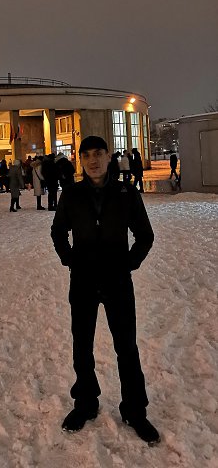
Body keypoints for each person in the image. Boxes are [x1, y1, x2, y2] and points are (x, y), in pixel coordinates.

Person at [51, 136, 160, 445]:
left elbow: (145, 235)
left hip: (117, 281)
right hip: (83, 281)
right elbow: (58, 231)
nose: (93, 160)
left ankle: (135, 410)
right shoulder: (71, 194)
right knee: (82, 345)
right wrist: (70, 259)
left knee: (126, 347)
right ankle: (85, 403)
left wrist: (129, 263)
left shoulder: (126, 193)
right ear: (80, 160)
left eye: (98, 153)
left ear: (109, 156)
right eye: (86, 155)